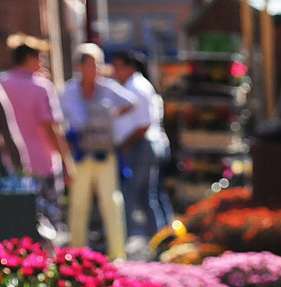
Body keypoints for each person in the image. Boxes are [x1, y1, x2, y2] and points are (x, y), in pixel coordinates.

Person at [61, 44, 138, 261]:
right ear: (79, 66)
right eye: (88, 65)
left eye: (96, 64)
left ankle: (117, 254)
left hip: (105, 153)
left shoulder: (108, 88)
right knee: (78, 203)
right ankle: (77, 254)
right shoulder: (69, 91)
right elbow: (62, 117)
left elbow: (131, 102)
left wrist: (112, 116)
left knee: (111, 203)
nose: (93, 69)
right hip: (81, 154)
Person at [0, 34, 73, 224]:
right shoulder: (41, 87)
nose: (42, 62)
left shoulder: (2, 83)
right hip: (43, 163)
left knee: (17, 222)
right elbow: (50, 128)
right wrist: (67, 162)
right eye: (40, 57)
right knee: (48, 221)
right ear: (30, 58)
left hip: (11, 164)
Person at [111, 50, 172, 240]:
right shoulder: (135, 85)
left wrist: (125, 145)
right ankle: (162, 237)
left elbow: (143, 124)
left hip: (141, 146)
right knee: (150, 195)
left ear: (128, 67)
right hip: (144, 145)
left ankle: (155, 238)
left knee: (141, 196)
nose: (114, 71)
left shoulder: (137, 87)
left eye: (118, 67)